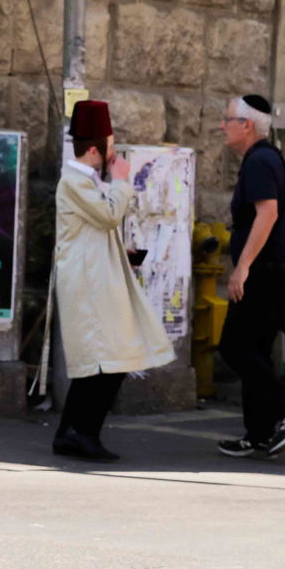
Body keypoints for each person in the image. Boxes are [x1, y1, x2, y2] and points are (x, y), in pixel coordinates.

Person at [50, 100, 174, 461]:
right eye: (110, 145)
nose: (114, 153)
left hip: (97, 282)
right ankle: (80, 433)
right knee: (105, 362)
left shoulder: (85, 181)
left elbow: (95, 228)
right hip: (88, 286)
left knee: (105, 362)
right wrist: (121, 181)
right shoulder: (73, 181)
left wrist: (122, 251)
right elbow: (108, 215)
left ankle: (73, 433)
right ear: (94, 150)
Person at [216, 94, 285, 458]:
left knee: (235, 346)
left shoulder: (260, 160)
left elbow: (267, 214)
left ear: (247, 125)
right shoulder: (264, 158)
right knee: (253, 349)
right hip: (274, 271)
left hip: (267, 272)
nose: (222, 126)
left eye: (227, 119)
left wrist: (242, 267)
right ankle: (258, 432)